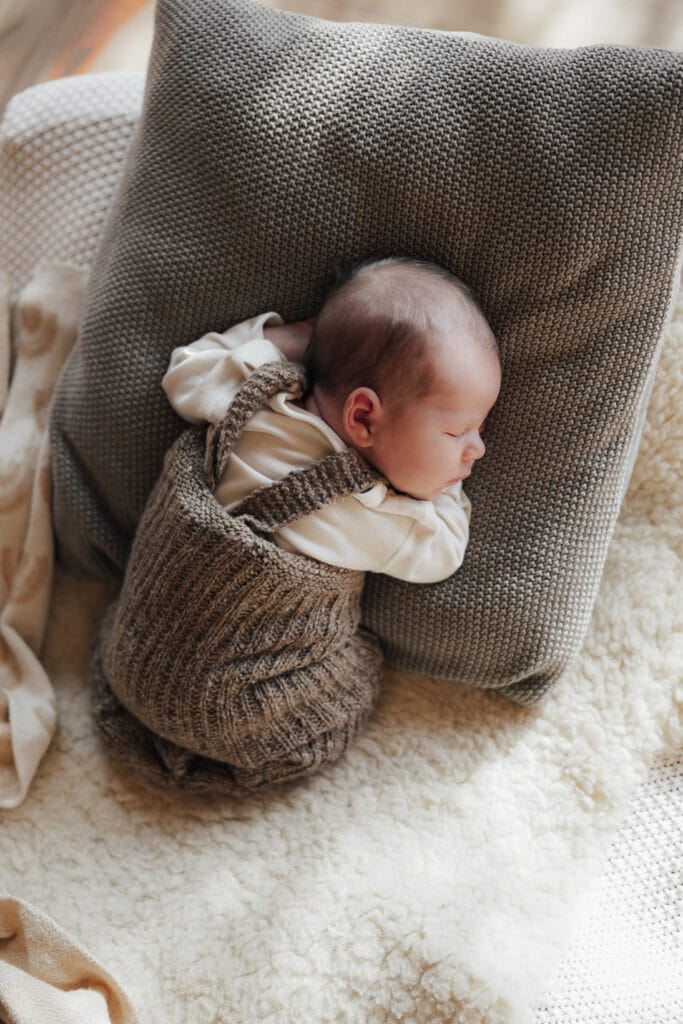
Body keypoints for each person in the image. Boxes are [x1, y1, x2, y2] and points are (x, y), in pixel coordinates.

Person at [162, 256, 501, 584]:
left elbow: (185, 373)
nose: (478, 449)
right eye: (457, 432)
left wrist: (291, 340)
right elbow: (446, 551)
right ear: (364, 418)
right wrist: (447, 488)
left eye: (479, 430)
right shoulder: (374, 515)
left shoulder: (257, 401)